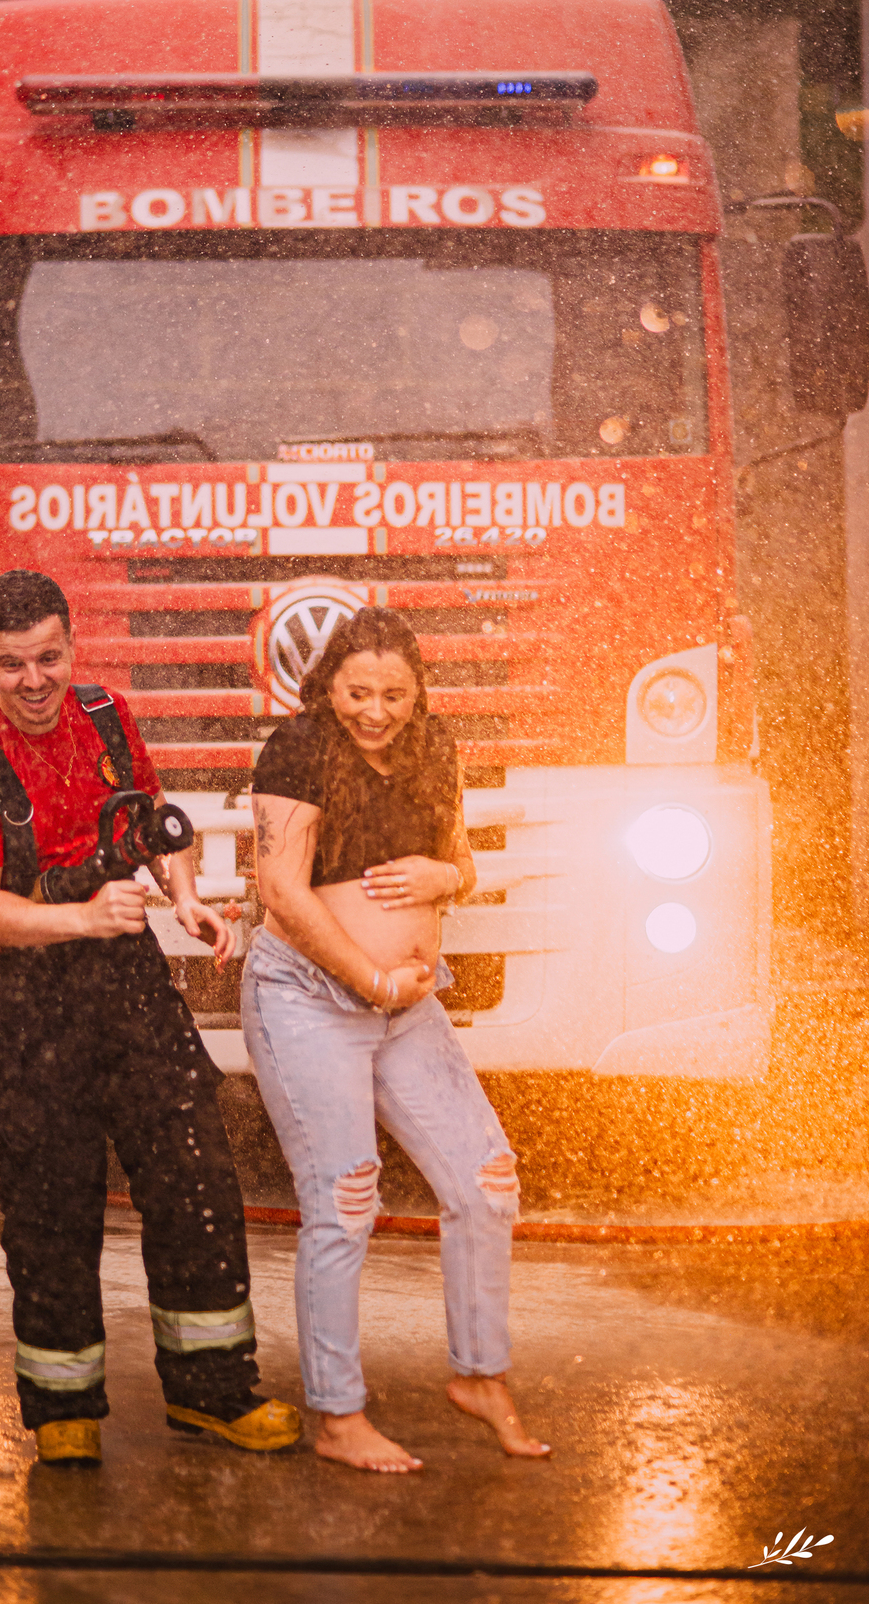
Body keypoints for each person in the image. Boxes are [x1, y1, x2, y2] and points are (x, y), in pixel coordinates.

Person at [0, 569, 300, 1467]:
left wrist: (187, 899)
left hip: (131, 988)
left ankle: (212, 1393)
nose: (33, 681)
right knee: (51, 1206)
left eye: (48, 658)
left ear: (72, 648)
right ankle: (64, 1411)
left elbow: (145, 817)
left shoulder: (104, 716)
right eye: (11, 663)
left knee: (194, 1181)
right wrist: (79, 918)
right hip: (29, 1003)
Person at [242, 606, 550, 1473]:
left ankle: (481, 1374)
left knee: (487, 1180)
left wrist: (443, 875)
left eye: (393, 695)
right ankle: (338, 1415)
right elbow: (281, 890)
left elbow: (464, 863)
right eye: (357, 692)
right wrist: (369, 979)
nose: (374, 712)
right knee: (345, 1200)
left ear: (418, 695)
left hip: (408, 1008)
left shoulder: (434, 748)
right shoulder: (298, 749)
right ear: (327, 686)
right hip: (309, 998)